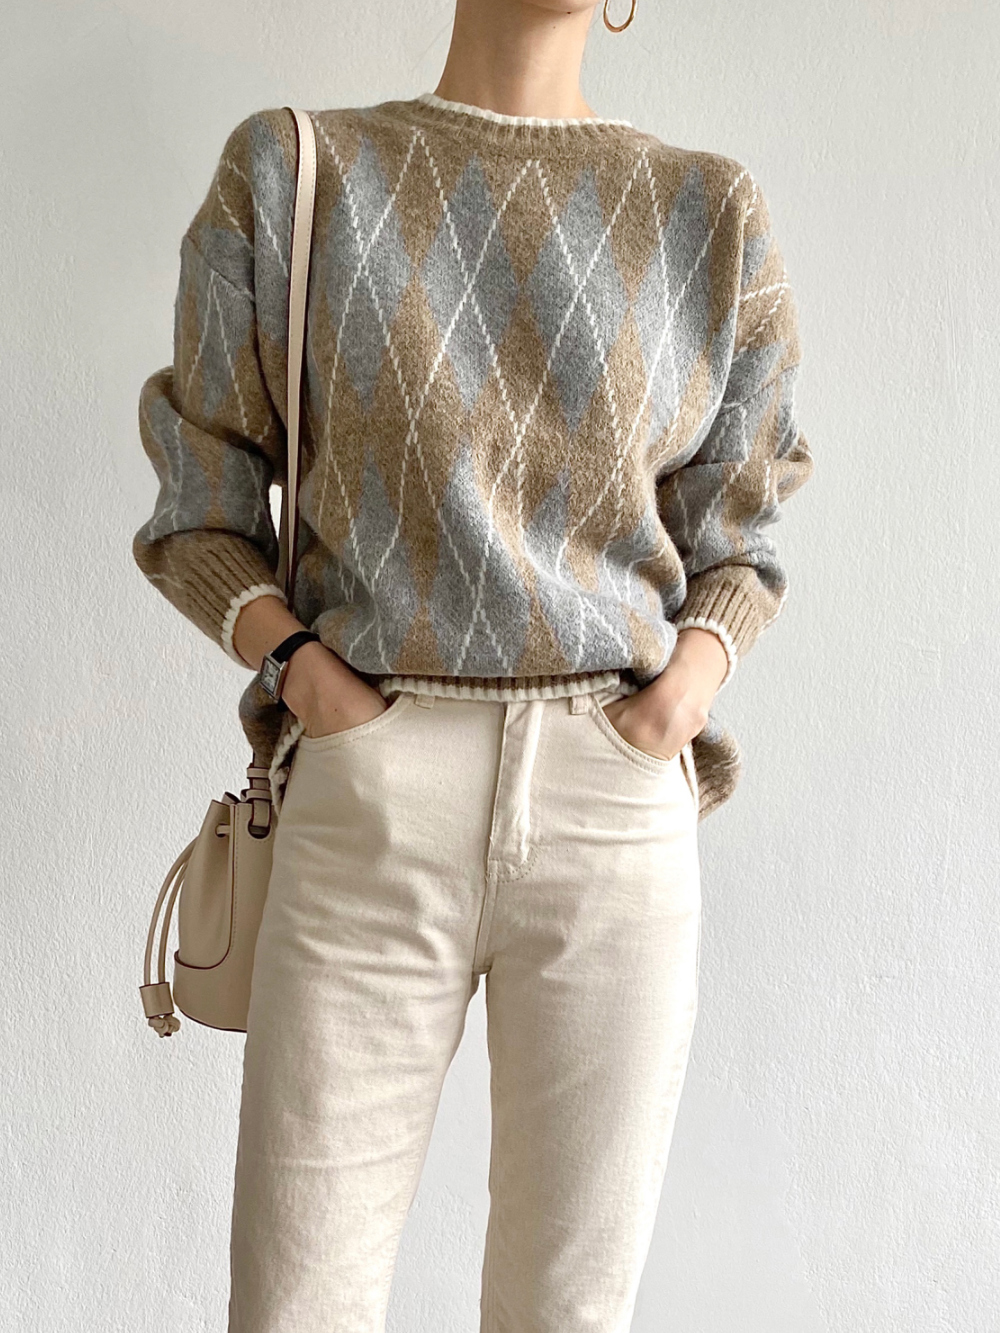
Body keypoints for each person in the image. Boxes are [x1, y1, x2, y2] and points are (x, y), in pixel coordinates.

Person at [132, 0, 814, 1327]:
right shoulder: (298, 171)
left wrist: (681, 694)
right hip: (372, 795)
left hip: (615, 800)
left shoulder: (707, 211)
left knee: (569, 1310)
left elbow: (742, 528)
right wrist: (307, 677)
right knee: (298, 1300)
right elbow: (196, 507)